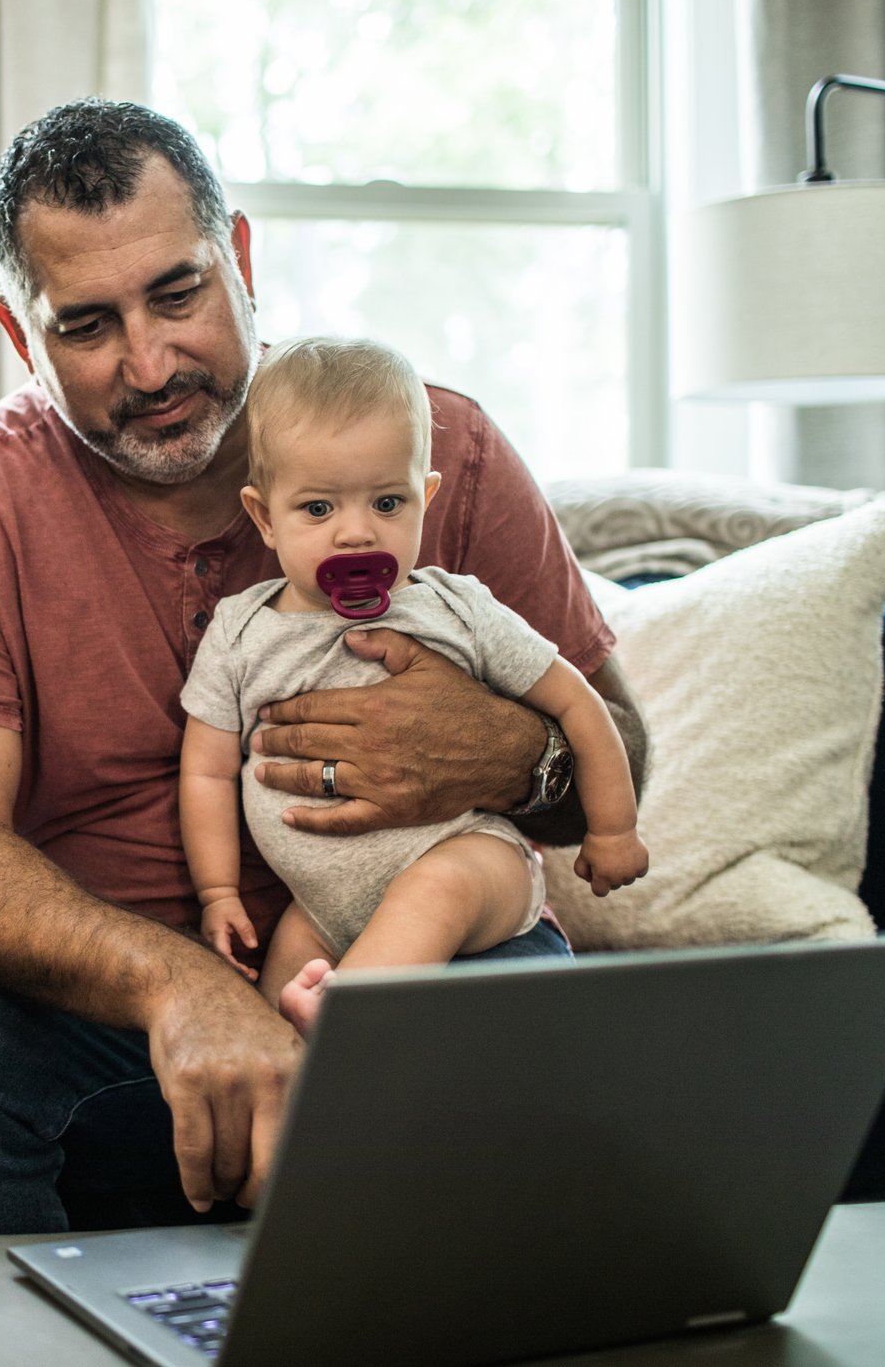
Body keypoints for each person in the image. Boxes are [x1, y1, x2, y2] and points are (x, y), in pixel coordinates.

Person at [0, 99, 647, 1232]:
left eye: (177, 294)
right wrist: (178, 984)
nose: (150, 363)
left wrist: (501, 751)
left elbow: (619, 745)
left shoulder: (436, 450)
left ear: (240, 258)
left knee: (548, 1039)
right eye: (87, 325)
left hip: (419, 956)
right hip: (97, 1013)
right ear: (22, 336)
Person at [182, 336, 648, 1034]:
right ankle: (288, 1125)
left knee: (434, 889)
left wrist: (612, 829)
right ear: (262, 516)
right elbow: (208, 772)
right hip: (320, 906)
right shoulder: (240, 632)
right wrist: (217, 890)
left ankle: (350, 1020)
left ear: (425, 499)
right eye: (317, 509)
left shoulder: (457, 608)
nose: (355, 533)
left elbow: (576, 702)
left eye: (387, 502)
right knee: (268, 1033)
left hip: (468, 862)